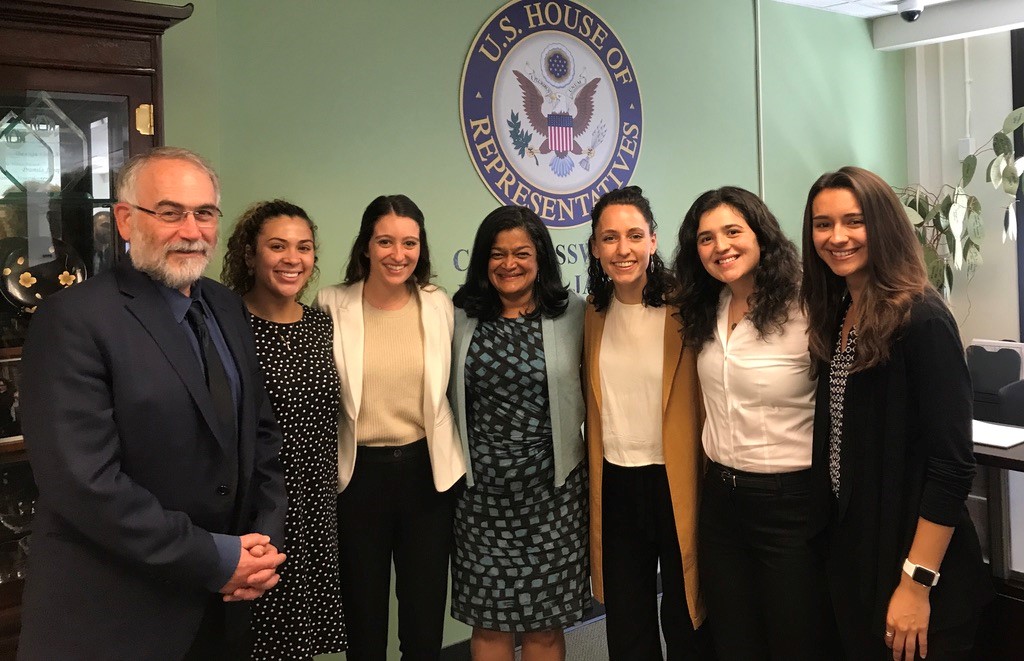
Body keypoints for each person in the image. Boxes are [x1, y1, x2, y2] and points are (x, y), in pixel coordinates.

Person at [19, 147, 287, 660]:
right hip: (117, 618)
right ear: (125, 219)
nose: (191, 229)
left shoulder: (227, 306)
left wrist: (261, 543)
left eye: (204, 213)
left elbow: (261, 436)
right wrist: (216, 556)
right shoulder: (73, 320)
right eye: (169, 212)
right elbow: (86, 483)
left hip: (222, 606)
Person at [800, 166, 992, 661]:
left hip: (915, 564)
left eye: (853, 221)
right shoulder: (840, 311)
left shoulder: (922, 318)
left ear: (882, 225)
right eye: (823, 224)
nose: (836, 237)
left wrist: (917, 584)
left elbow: (952, 468)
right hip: (859, 554)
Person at [674, 186, 832, 661]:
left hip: (791, 503)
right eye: (706, 238)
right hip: (722, 500)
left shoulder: (809, 307)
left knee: (794, 638)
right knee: (733, 637)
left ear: (761, 234)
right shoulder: (710, 307)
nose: (720, 246)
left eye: (732, 231)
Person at [315, 194, 465, 661]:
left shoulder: (438, 303)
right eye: (385, 241)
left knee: (423, 626)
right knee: (364, 623)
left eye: (409, 243)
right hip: (358, 479)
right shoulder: (332, 304)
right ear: (365, 246)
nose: (398, 255)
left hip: (427, 477)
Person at [449, 205, 588, 661]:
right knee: (489, 624)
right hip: (480, 495)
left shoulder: (574, 314)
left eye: (522, 253)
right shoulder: (458, 315)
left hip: (554, 493)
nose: (509, 264)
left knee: (545, 626)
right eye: (497, 254)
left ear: (541, 258)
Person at [583, 185, 711, 660]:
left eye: (634, 235)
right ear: (595, 247)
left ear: (653, 241)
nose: (623, 250)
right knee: (628, 622)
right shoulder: (593, 313)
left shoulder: (689, 307)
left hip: (676, 480)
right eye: (610, 238)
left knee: (685, 615)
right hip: (616, 483)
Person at [222, 199, 347, 660]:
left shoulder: (322, 326)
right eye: (277, 246)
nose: (292, 259)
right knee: (254, 638)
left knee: (301, 641)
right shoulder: (227, 326)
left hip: (316, 508)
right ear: (251, 256)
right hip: (256, 510)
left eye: (304, 247)